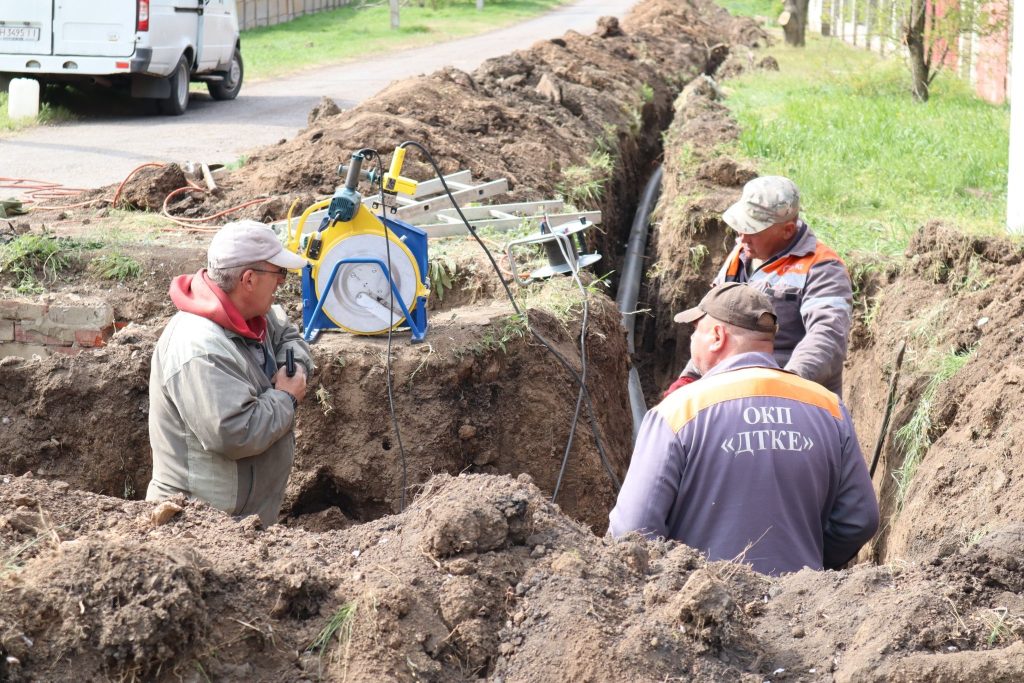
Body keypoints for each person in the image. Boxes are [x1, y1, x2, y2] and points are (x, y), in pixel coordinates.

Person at [610, 283, 878, 575]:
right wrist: (808, 563)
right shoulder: (828, 408)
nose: (692, 341)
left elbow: (632, 530)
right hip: (802, 608)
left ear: (716, 336)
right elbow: (858, 519)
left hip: (702, 609)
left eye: (695, 331)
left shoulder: (677, 412)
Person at [146, 220, 313, 527]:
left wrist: (295, 366)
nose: (281, 283)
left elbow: (289, 336)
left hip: (245, 522)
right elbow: (236, 432)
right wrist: (285, 397)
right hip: (201, 526)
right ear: (249, 279)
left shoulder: (255, 315)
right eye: (279, 273)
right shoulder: (200, 349)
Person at [666, 176, 852, 398]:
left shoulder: (822, 268)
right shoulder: (740, 255)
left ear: (787, 230)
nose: (742, 238)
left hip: (797, 397)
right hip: (730, 389)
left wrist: (787, 386)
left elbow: (826, 336)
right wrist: (690, 377)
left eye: (752, 230)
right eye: (741, 227)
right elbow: (711, 327)